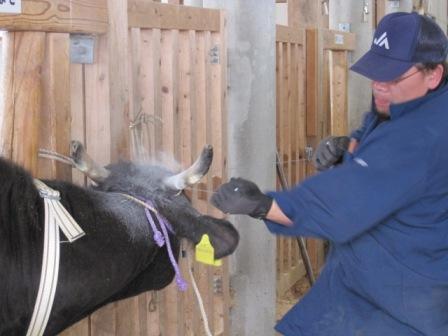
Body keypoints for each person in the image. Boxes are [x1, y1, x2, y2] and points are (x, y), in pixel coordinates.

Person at [211, 12, 448, 336]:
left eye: (393, 78)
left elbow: (340, 205)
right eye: (377, 73)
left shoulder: (423, 135)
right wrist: (350, 147)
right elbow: (389, 159)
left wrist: (263, 205)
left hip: (396, 301)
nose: (380, 86)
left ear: (434, 74)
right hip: (367, 277)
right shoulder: (415, 103)